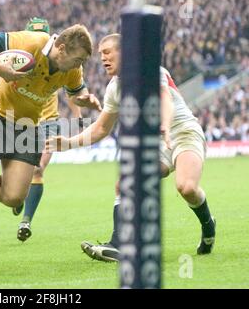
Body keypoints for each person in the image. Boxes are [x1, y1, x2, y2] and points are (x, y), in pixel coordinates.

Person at [0, 24, 102, 269]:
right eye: (77, 58)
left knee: (14, 198)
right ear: (60, 48)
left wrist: (84, 99)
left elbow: (77, 91)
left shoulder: (72, 69)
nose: (79, 64)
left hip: (29, 126)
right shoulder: (34, 42)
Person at [46, 33, 216, 262]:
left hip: (183, 132)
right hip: (156, 142)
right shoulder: (115, 88)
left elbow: (164, 98)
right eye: (100, 55)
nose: (103, 58)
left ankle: (208, 226)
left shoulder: (150, 71)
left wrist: (165, 125)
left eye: (107, 52)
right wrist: (68, 143)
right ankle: (118, 245)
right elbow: (101, 128)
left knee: (186, 188)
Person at [12, 17, 84, 242]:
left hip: (49, 121)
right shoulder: (22, 57)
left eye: (41, 32)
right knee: (18, 179)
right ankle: (19, 195)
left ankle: (26, 221)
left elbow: (72, 90)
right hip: (23, 121)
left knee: (38, 169)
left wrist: (78, 115)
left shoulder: (61, 60)